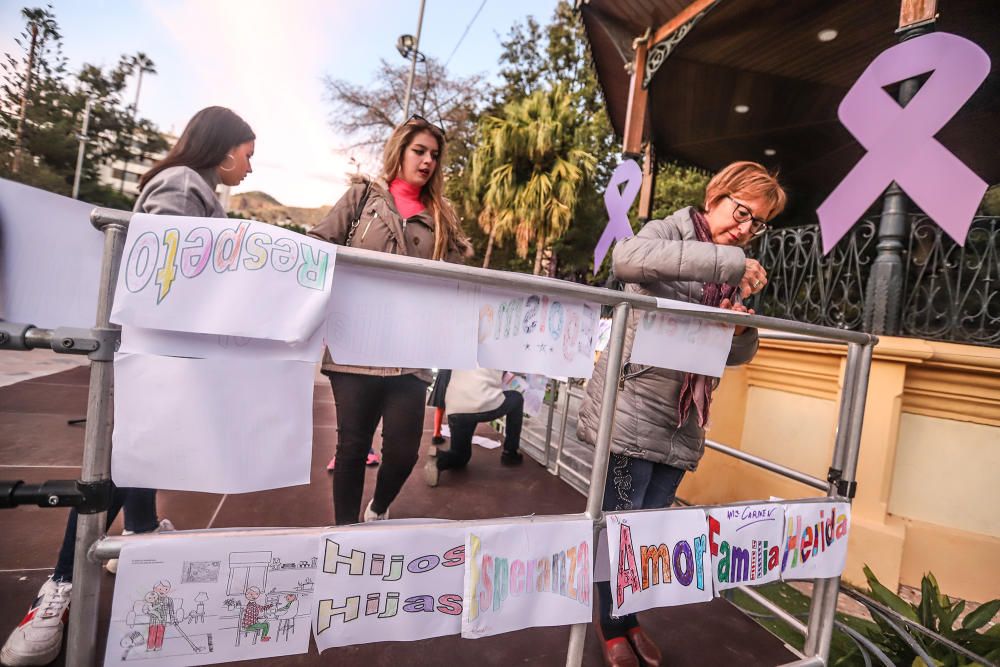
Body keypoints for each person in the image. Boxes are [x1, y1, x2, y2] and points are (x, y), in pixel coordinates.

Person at [1, 106, 256, 667]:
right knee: (124, 458)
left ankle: (139, 529)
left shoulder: (194, 187)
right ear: (222, 147)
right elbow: (166, 271)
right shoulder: (183, 184)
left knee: (146, 446)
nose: (250, 167)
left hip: (164, 344)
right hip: (157, 344)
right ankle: (61, 586)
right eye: (247, 153)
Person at [577, 161, 785, 667]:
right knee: (620, 527)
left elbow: (732, 358)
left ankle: (625, 620)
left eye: (757, 224)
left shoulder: (730, 269)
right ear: (716, 195)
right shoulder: (669, 231)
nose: (745, 228)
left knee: (645, 532)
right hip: (633, 407)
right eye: (742, 212)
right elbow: (627, 258)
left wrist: (739, 331)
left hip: (684, 418)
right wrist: (728, 263)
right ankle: (611, 625)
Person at [309, 115, 471, 525]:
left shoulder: (442, 215)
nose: (428, 161)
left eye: (434, 155)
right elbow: (318, 243)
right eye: (419, 151)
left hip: (409, 351)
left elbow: (456, 277)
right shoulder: (362, 197)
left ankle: (378, 508)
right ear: (399, 151)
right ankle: (344, 533)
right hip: (354, 345)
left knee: (403, 451)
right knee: (351, 448)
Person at [423, 368, 524, 487]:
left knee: (461, 456)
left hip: (456, 408)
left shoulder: (462, 350)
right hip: (486, 404)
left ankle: (439, 461)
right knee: (517, 399)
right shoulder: (501, 352)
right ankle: (510, 453)